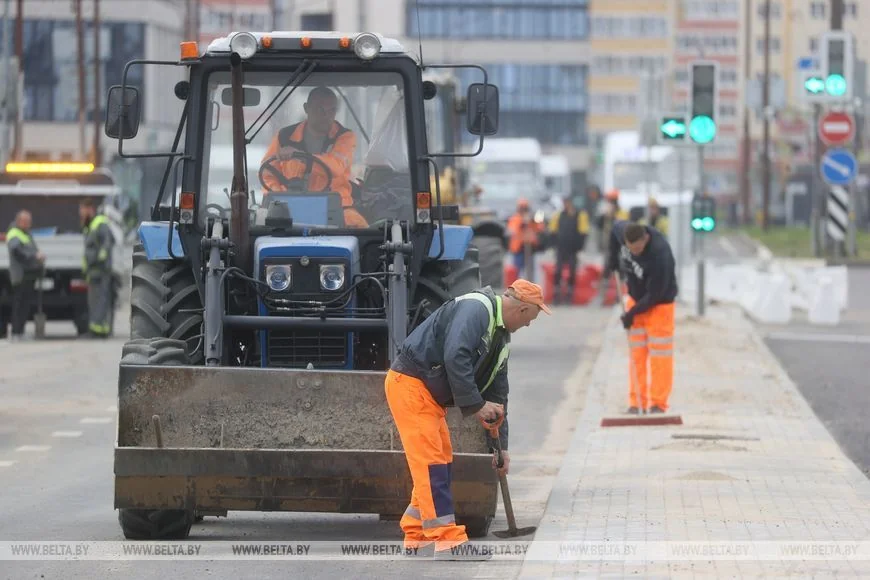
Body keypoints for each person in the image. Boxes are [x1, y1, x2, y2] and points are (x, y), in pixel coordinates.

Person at [385, 279, 550, 559]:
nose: (529, 325)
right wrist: (476, 405)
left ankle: (417, 534)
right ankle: (448, 541)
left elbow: (499, 395)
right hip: (411, 385)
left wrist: (502, 448)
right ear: (523, 310)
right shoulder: (477, 309)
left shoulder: (500, 339)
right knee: (432, 465)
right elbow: (455, 355)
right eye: (531, 318)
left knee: (439, 462)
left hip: (425, 395)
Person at [260, 86, 368, 228]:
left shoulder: (344, 137)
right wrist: (280, 196)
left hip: (336, 207)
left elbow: (336, 166)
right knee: (258, 227)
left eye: (332, 111)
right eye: (320, 109)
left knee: (360, 228)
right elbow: (267, 173)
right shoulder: (284, 136)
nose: (326, 116)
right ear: (306, 108)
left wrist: (302, 157)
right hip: (289, 209)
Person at [603, 221, 678, 414]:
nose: (634, 253)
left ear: (645, 239)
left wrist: (631, 314)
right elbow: (613, 231)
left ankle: (657, 404)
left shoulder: (661, 255)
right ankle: (636, 402)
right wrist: (612, 259)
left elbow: (655, 295)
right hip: (635, 299)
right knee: (636, 353)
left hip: (660, 305)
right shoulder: (624, 232)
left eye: (638, 249)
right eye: (630, 249)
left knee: (660, 355)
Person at [5, 210, 45, 341]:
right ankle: (16, 332)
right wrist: (34, 256)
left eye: (29, 222)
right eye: (26, 222)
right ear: (19, 221)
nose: (29, 224)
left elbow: (31, 248)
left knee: (25, 305)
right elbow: (17, 251)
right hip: (20, 275)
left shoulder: (26, 234)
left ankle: (20, 332)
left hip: (28, 275)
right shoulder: (14, 233)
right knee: (19, 304)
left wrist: (38, 255)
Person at [79, 198, 115, 339]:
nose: (81, 213)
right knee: (94, 300)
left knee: (100, 300)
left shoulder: (100, 223)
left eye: (82, 210)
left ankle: (99, 331)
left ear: (90, 209)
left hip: (100, 269)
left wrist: (101, 259)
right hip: (93, 269)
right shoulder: (91, 224)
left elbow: (106, 243)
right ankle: (96, 329)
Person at [548, 195, 590, 305]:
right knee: (558, 271)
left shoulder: (580, 215)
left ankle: (569, 295)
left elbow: (583, 232)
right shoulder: (558, 215)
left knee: (572, 271)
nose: (566, 205)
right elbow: (552, 231)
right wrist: (554, 245)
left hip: (573, 249)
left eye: (568, 202)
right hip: (561, 248)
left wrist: (580, 248)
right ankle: (557, 294)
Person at [506, 199, 544, 281]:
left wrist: (532, 221)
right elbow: (513, 230)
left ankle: (530, 287)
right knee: (517, 271)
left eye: (525, 208)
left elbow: (539, 228)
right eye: (522, 208)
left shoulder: (532, 218)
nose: (523, 210)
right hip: (518, 249)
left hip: (530, 248)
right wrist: (522, 223)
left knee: (530, 272)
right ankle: (516, 288)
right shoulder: (515, 218)